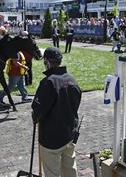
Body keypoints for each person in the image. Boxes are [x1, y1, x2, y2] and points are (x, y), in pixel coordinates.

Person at [32, 47, 82, 177]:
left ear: (47, 62)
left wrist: (35, 118)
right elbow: (75, 106)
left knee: (52, 173)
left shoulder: (48, 83)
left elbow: (38, 111)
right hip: (69, 134)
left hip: (51, 139)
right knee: (70, 169)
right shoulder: (72, 80)